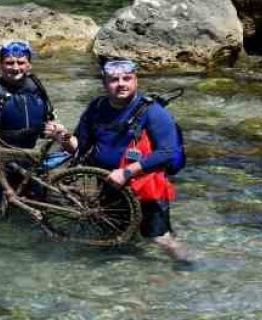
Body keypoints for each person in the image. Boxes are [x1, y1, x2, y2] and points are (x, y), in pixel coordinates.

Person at [44, 58, 188, 261]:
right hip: (108, 183)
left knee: (160, 238)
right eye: (114, 79)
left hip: (146, 186)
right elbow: (80, 149)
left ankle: (186, 264)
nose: (121, 83)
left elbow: (167, 152)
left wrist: (127, 172)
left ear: (135, 80)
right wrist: (63, 137)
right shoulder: (96, 107)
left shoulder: (153, 112)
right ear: (104, 83)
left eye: (127, 78)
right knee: (114, 231)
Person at [0, 39, 54, 209]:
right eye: (9, 63)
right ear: (0, 65)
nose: (15, 68)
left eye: (21, 62)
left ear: (29, 65)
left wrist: (53, 129)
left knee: (39, 213)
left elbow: (48, 118)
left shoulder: (36, 87)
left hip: (30, 159)